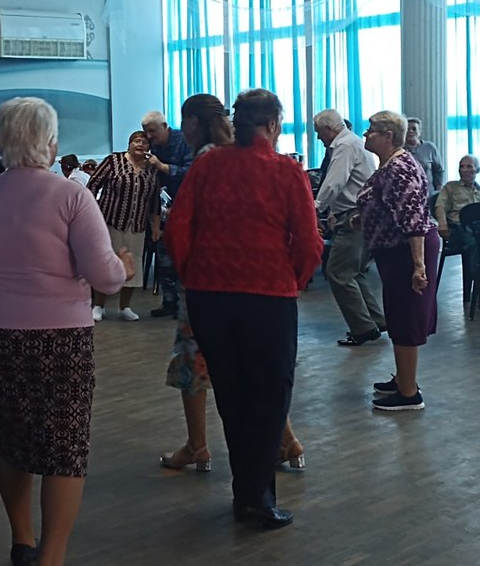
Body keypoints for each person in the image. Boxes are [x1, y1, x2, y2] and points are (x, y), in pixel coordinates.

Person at [0, 97, 132, 566]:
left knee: (14, 437)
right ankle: (51, 557)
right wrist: (123, 268)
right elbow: (104, 278)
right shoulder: (72, 196)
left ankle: (22, 541)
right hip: (59, 340)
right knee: (65, 447)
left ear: (1, 142)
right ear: (51, 143)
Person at [165, 89, 322, 531]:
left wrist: (194, 274)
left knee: (233, 396)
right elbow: (309, 242)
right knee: (270, 396)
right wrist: (292, 281)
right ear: (273, 124)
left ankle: (247, 493)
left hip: (210, 296)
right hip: (268, 296)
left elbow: (178, 229)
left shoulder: (207, 165)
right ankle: (256, 498)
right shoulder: (286, 171)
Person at [356, 111, 440, 411]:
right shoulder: (390, 165)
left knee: (406, 318)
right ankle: (404, 378)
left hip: (407, 251)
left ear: (388, 136)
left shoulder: (400, 167)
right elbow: (387, 206)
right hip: (394, 251)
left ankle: (408, 393)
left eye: (371, 130)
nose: (365, 135)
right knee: (398, 315)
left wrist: (418, 266)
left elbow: (413, 220)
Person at [312, 109, 385, 346]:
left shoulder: (344, 146)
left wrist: (316, 207)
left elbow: (335, 182)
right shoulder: (353, 143)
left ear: (329, 129)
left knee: (338, 273)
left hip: (354, 216)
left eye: (319, 132)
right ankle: (376, 319)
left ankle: (363, 328)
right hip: (362, 214)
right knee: (356, 272)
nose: (318, 137)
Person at [86, 131, 161, 321]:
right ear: (129, 144)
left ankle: (124, 307)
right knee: (106, 264)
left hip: (137, 225)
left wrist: (155, 226)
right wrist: (91, 211)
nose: (140, 145)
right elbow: (93, 184)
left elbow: (154, 200)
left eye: (145, 142)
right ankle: (99, 305)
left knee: (133, 265)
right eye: (136, 141)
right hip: (110, 221)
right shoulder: (113, 161)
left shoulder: (151, 168)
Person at [141, 110, 193, 318]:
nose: (149, 136)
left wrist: (163, 167)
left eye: (153, 131)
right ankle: (169, 302)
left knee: (184, 260)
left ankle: (186, 306)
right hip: (163, 210)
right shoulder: (152, 147)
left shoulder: (184, 141)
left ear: (165, 126)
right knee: (163, 258)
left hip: (187, 208)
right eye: (146, 132)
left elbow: (191, 172)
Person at [434, 155, 480, 305]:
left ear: (477, 170)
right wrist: (442, 223)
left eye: (469, 166)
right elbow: (440, 206)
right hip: (459, 229)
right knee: (477, 243)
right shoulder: (450, 187)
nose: (464, 170)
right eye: (462, 167)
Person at [405, 117, 444, 194]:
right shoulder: (399, 150)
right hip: (407, 194)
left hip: (428, 193)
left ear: (419, 131)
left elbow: (438, 170)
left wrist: (439, 188)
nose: (410, 131)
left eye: (414, 129)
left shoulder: (429, 147)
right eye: (407, 129)